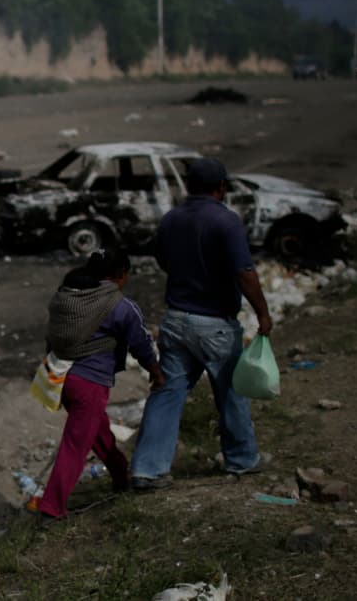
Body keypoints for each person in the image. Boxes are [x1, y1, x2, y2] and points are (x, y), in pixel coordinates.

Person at [130, 157, 274, 490]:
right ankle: (242, 459)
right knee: (231, 391)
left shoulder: (171, 219)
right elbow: (245, 273)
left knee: (167, 392)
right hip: (216, 324)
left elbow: (162, 259)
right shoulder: (226, 221)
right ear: (221, 187)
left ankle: (147, 470)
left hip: (175, 320)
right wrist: (263, 313)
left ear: (189, 186)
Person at [33, 249, 164, 520]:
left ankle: (120, 474)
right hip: (89, 383)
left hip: (62, 377)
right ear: (121, 275)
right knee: (75, 445)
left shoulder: (67, 295)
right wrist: (155, 371)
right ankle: (51, 508)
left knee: (97, 432)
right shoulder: (119, 304)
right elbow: (141, 342)